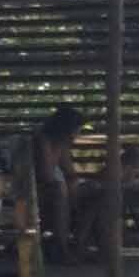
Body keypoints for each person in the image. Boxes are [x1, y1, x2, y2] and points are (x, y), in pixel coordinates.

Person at [28, 104, 84, 257]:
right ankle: (62, 248)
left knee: (95, 195)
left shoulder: (62, 144)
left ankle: (80, 245)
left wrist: (74, 183)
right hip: (39, 189)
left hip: (58, 187)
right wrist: (59, 146)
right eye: (77, 129)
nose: (78, 133)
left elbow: (70, 172)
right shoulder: (43, 139)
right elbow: (46, 174)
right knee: (60, 192)